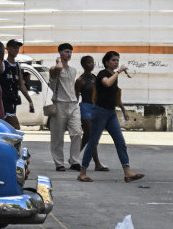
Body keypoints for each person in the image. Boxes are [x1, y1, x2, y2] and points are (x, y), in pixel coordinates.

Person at [78, 50, 144, 183]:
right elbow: (107, 83)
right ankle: (82, 172)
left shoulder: (114, 75)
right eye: (113, 60)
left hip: (111, 113)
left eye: (118, 60)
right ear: (106, 62)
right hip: (99, 111)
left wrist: (124, 110)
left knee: (120, 142)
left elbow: (116, 95)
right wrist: (119, 71)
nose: (116, 62)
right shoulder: (103, 74)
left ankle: (127, 171)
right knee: (93, 142)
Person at [47, 43, 83, 172]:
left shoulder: (73, 70)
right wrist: (58, 61)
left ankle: (74, 161)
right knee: (57, 136)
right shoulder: (54, 69)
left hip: (73, 104)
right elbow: (57, 69)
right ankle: (59, 163)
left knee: (77, 132)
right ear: (60, 53)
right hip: (59, 104)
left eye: (70, 52)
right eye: (66, 52)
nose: (69, 54)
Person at [74, 55, 107, 172]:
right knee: (90, 133)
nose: (91, 65)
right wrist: (75, 111)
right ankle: (97, 163)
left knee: (91, 136)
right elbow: (75, 96)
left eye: (92, 62)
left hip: (95, 108)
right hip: (85, 107)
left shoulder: (95, 78)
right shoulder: (80, 80)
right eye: (88, 63)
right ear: (83, 65)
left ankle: (75, 156)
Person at [0, 39, 34, 130]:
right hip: (4, 103)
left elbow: (21, 85)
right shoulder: (3, 64)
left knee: (8, 129)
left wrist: (30, 100)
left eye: (17, 48)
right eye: (14, 48)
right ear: (8, 49)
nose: (16, 50)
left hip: (13, 102)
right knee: (16, 128)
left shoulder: (18, 66)